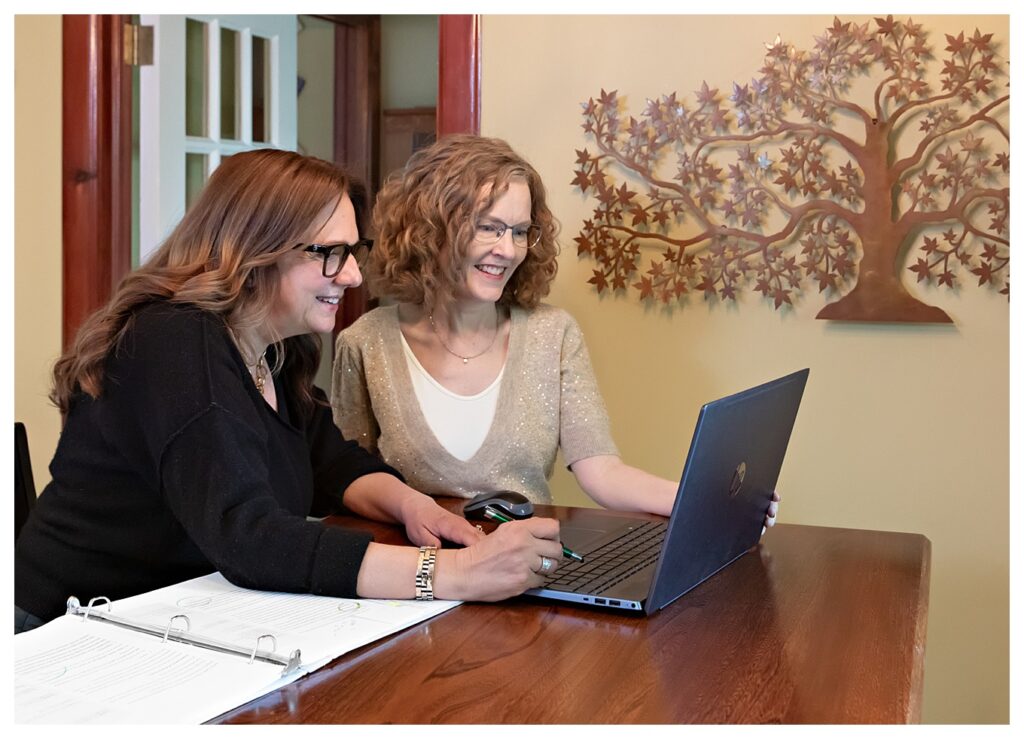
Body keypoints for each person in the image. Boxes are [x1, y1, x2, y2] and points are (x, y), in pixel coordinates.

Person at [14, 149, 566, 635]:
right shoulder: (173, 339)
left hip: (173, 618)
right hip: (61, 634)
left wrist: (417, 507)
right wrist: (452, 574)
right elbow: (248, 536)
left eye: (354, 251)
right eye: (330, 253)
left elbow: (332, 463)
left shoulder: (274, 348)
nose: (352, 276)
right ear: (258, 250)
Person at [332, 135, 781, 521]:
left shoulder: (553, 334)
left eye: (521, 231)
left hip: (525, 570)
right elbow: (348, 483)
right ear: (429, 230)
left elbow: (602, 471)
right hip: (417, 582)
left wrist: (706, 501)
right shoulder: (364, 344)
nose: (508, 250)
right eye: (488, 228)